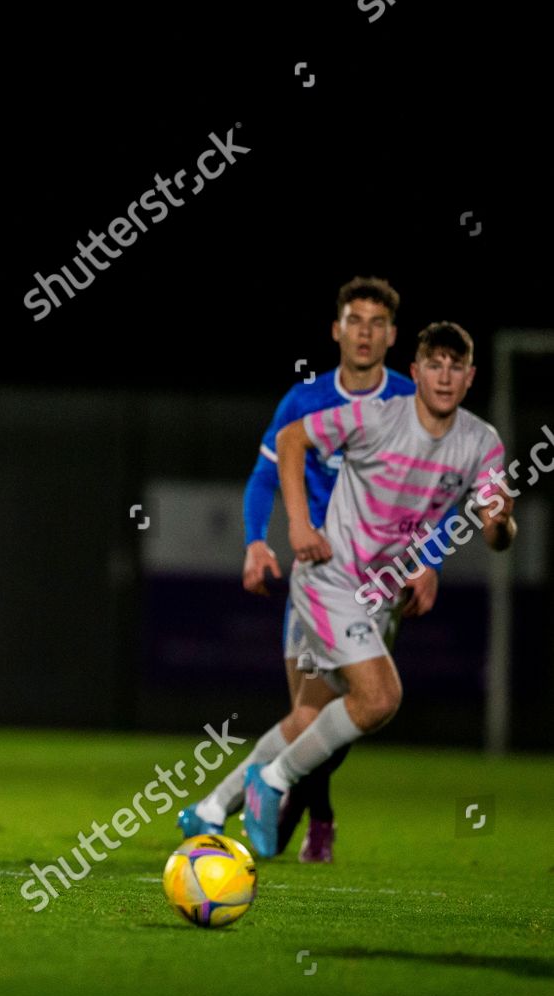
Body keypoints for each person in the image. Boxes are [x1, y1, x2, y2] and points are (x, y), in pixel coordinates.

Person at [214, 321, 514, 857]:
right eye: (435, 365)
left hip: (377, 598)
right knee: (378, 697)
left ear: (470, 378)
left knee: (316, 715)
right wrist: (293, 529)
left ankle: (214, 807)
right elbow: (289, 440)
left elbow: (496, 533)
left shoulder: (481, 442)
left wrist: (497, 525)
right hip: (329, 578)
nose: (445, 377)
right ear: (416, 372)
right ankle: (277, 788)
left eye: (456, 367)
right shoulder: (374, 415)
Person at [180, 276, 447, 862]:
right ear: (337, 329)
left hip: (380, 580)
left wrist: (428, 561)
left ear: (392, 336)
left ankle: (239, 805)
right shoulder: (304, 401)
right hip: (321, 572)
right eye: (356, 320)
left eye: (378, 324)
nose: (365, 333)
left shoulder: (411, 402)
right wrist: (255, 542)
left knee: (328, 713)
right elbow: (263, 475)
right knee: (321, 710)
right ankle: (261, 805)